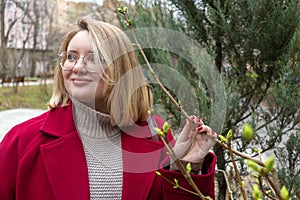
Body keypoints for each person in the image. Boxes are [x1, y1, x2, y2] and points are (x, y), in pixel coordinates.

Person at [0, 18, 217, 200]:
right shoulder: (21, 141)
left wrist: (185, 169)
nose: (77, 67)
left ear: (121, 71)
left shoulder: (156, 135)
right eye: (71, 57)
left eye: (94, 58)